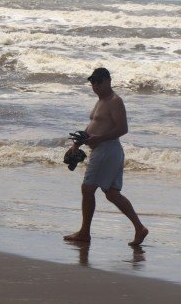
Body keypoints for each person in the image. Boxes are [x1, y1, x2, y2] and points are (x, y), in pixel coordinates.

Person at [63, 68, 148, 246]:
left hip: (107, 150)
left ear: (108, 80)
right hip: (105, 151)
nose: (95, 86)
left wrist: (98, 139)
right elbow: (93, 125)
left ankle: (84, 233)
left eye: (99, 82)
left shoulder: (115, 101)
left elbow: (122, 128)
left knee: (87, 189)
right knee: (111, 193)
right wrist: (77, 143)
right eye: (93, 82)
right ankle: (140, 228)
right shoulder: (101, 100)